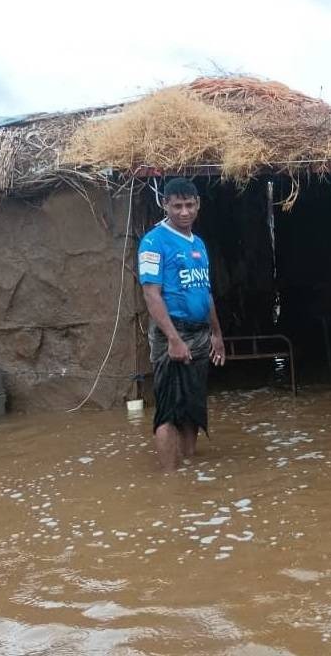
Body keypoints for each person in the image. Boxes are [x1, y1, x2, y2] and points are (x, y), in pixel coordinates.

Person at [138, 177, 225, 471]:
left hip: (201, 333)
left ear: (198, 205)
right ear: (165, 205)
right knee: (168, 410)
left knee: (193, 407)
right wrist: (173, 339)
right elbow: (151, 295)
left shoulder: (198, 243)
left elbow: (206, 291)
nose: (184, 212)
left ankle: (190, 471)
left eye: (189, 205)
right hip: (171, 334)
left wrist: (216, 333)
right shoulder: (153, 242)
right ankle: (170, 480)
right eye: (177, 206)